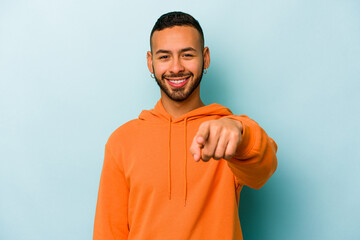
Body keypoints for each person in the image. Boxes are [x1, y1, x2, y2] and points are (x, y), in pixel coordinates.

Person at [93, 11, 277, 240]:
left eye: (187, 55)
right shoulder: (121, 141)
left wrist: (240, 132)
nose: (176, 67)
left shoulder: (226, 133)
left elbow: (264, 169)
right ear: (150, 62)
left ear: (205, 57)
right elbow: (108, 233)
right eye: (164, 57)